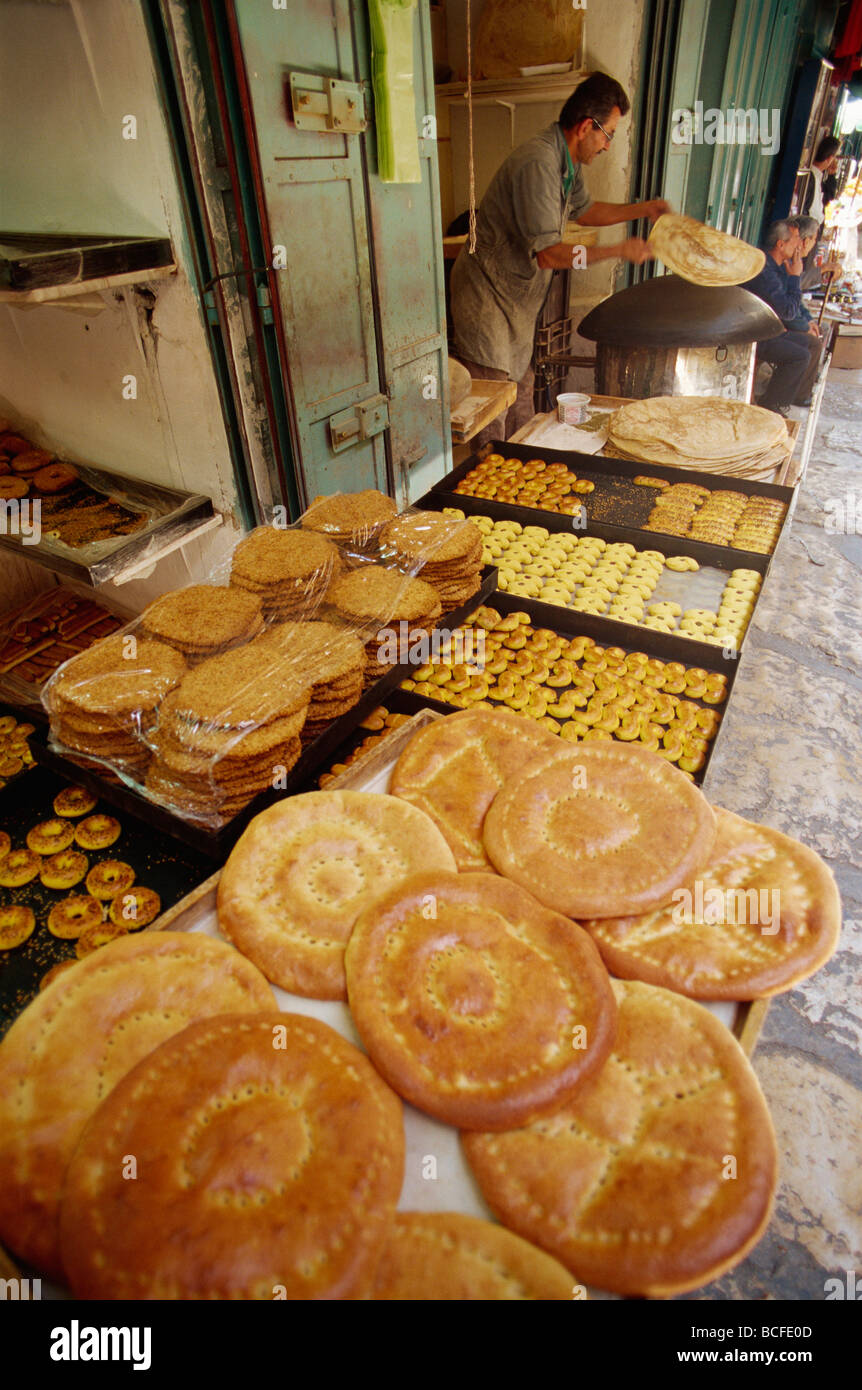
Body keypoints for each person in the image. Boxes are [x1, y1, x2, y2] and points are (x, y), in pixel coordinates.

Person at [449, 71, 670, 444]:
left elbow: (584, 212)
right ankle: (487, 492)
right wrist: (616, 251)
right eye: (609, 134)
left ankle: (521, 467)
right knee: (493, 406)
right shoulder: (538, 163)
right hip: (486, 296)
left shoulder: (567, 164)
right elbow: (550, 256)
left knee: (521, 394)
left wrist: (642, 210)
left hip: (515, 301)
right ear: (587, 126)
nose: (607, 145)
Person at [742, 220, 824, 413]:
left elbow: (792, 305)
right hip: (754, 333)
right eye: (796, 239)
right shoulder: (765, 270)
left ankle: (794, 395)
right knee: (800, 356)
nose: (799, 244)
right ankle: (772, 405)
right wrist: (795, 277)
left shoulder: (778, 267)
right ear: (780, 244)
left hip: (769, 327)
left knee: (812, 344)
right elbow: (788, 311)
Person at [800, 135, 841, 289]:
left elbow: (829, 198)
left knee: (805, 273)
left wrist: (831, 176)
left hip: (811, 233)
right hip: (807, 231)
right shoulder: (811, 176)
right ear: (830, 158)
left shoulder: (818, 176)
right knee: (803, 274)